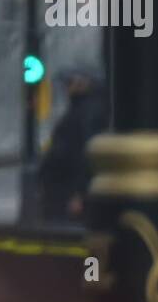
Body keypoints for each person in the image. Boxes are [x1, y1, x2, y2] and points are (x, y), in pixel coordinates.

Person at [37, 65, 108, 221]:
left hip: (67, 189)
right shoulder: (82, 109)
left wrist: (80, 193)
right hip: (64, 188)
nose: (68, 87)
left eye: (72, 82)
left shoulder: (89, 113)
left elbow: (85, 154)